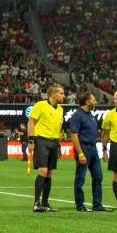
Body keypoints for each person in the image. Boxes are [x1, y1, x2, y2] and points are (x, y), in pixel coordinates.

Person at [28, 83, 65, 212]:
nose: (63, 96)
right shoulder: (40, 105)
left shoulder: (60, 110)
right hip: (41, 141)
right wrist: (31, 140)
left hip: (54, 143)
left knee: (49, 173)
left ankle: (45, 202)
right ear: (52, 94)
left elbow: (58, 128)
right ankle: (36, 203)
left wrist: (59, 145)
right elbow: (31, 121)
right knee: (42, 171)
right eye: (61, 93)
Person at [70, 91, 109, 212]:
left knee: (98, 176)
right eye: (93, 100)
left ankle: (97, 205)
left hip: (93, 149)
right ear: (87, 102)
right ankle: (80, 205)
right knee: (80, 178)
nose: (96, 102)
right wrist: (80, 153)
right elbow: (74, 135)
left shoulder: (90, 114)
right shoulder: (77, 115)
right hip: (84, 148)